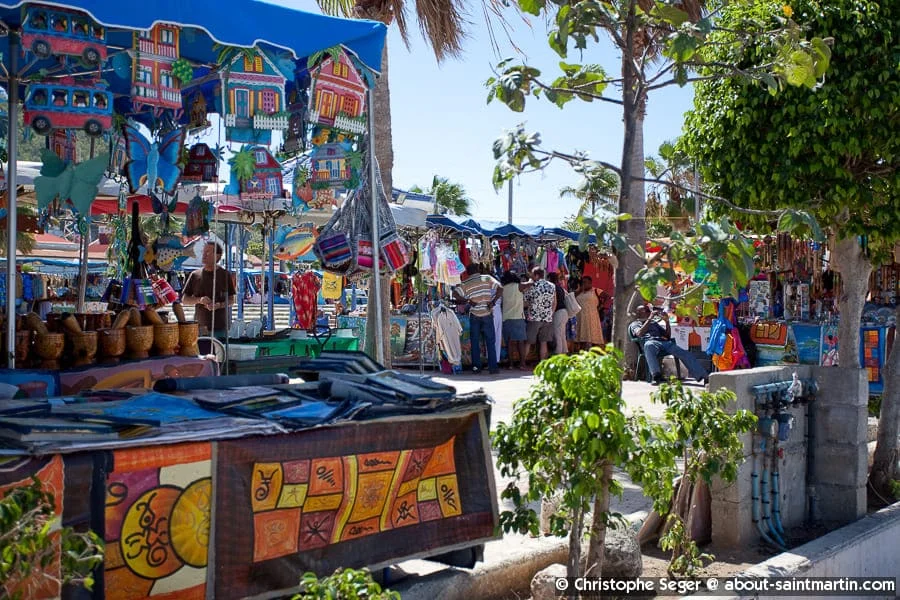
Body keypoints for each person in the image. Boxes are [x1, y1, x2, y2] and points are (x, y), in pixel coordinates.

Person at [629, 305, 708, 385]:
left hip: (663, 342)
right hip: (650, 342)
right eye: (646, 311)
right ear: (639, 313)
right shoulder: (635, 324)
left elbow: (667, 336)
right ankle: (656, 375)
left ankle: (704, 376)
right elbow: (639, 334)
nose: (649, 312)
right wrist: (650, 318)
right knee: (649, 345)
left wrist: (667, 322)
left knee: (685, 353)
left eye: (649, 310)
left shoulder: (654, 323)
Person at [454, 263, 502, 374]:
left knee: (475, 342)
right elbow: (500, 288)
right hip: (487, 314)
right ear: (478, 269)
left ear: (468, 272)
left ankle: (476, 367)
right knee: (490, 341)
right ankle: (493, 367)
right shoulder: (487, 278)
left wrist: (467, 301)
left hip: (474, 315)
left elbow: (455, 293)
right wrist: (493, 302)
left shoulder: (466, 283)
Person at [181, 241, 236, 336]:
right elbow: (185, 300)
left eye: (208, 252)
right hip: (200, 328)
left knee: (219, 350)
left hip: (221, 328)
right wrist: (199, 300)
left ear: (217, 256)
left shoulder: (225, 275)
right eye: (203, 251)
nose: (204, 255)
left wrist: (219, 305)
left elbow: (231, 300)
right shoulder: (195, 275)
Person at [523, 267, 556, 364]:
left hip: (534, 317)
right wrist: (550, 314)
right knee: (543, 342)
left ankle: (523, 363)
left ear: (536, 275)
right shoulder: (552, 286)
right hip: (547, 318)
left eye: (532, 275)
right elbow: (555, 302)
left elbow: (525, 302)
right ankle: (543, 363)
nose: (531, 277)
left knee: (528, 342)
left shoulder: (532, 286)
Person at [500, 270, 528, 370]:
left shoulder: (502, 288)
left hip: (506, 318)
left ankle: (511, 364)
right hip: (518, 317)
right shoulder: (519, 286)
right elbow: (530, 284)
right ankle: (522, 363)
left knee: (510, 343)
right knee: (520, 342)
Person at [575, 276, 605, 349]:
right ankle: (581, 352)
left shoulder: (596, 290)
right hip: (580, 316)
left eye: (585, 282)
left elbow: (608, 298)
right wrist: (579, 290)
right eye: (582, 282)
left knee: (592, 336)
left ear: (590, 283)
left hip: (592, 316)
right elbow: (572, 298)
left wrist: (600, 307)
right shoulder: (579, 292)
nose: (584, 284)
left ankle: (595, 352)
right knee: (582, 336)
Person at [546, 272, 569, 355]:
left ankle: (558, 353)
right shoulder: (560, 287)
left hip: (558, 312)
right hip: (564, 312)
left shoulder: (553, 287)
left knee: (557, 334)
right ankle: (564, 352)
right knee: (562, 334)